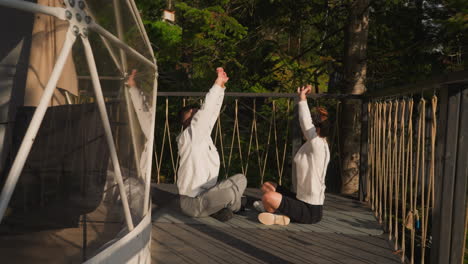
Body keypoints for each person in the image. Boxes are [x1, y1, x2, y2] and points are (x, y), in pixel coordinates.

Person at [176, 67, 247, 222]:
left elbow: (212, 113)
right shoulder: (188, 137)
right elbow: (207, 111)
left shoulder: (202, 137)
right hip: (192, 202)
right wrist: (216, 84)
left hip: (209, 193)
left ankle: (222, 207)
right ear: (186, 122)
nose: (198, 114)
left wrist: (221, 88)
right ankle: (232, 204)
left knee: (241, 179)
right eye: (194, 114)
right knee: (229, 194)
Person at [255, 84, 330, 225]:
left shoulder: (318, 144)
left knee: (268, 197)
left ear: (317, 129)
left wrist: (302, 98)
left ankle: (275, 215)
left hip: (310, 211)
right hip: (299, 199)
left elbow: (305, 122)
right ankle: (277, 212)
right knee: (267, 186)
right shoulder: (313, 144)